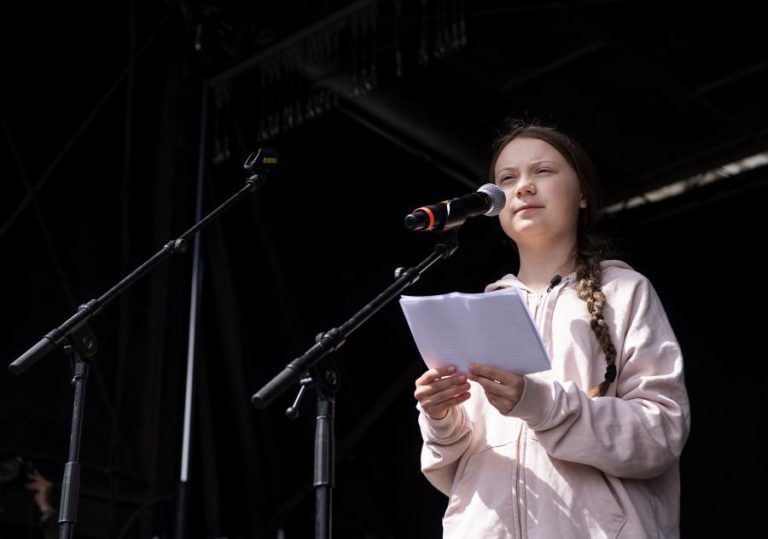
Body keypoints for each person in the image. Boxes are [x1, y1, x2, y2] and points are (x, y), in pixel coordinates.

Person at [413, 121, 691, 538]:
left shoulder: (624, 291)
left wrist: (541, 403)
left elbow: (661, 433)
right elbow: (452, 471)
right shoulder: (481, 312)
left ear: (581, 195)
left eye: (542, 171)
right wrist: (441, 418)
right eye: (507, 179)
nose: (523, 186)